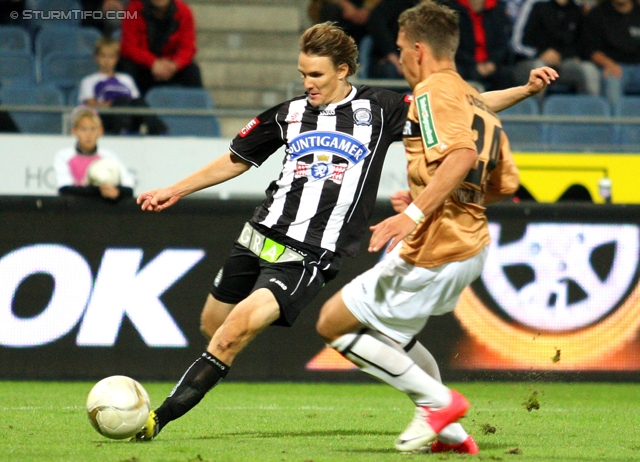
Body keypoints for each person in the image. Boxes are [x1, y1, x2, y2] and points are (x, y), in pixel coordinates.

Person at [133, 21, 557, 444]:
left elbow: (464, 109)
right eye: (303, 74)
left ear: (343, 70)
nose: (307, 83)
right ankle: (441, 413)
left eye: (315, 75)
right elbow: (235, 159)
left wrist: (524, 91)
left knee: (230, 336)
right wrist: (174, 189)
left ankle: (156, 419)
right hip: (257, 235)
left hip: (309, 252)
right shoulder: (288, 113)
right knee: (213, 325)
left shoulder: (382, 108)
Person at [315, 1, 521, 453]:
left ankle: (438, 403)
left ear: (419, 49)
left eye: (402, 49)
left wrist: (413, 212)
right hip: (471, 242)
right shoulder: (474, 100)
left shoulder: (432, 92)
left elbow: (462, 157)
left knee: (333, 324)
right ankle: (451, 436)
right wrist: (435, 193)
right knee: (395, 337)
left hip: (440, 242)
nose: (402, 58)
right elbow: (506, 182)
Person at [79, 36, 167, 135]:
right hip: (106, 117)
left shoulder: (126, 79)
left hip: (129, 114)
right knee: (122, 101)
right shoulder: (88, 81)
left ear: (117, 58)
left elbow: (136, 102)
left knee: (138, 103)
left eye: (111, 57)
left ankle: (159, 131)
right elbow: (91, 106)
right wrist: (112, 104)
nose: (107, 61)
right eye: (103, 56)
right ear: (96, 57)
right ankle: (122, 130)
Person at [511, 0, 600, 98]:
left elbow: (583, 44)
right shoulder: (534, 4)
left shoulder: (578, 9)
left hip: (565, 63)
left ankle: (591, 112)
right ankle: (535, 112)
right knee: (540, 69)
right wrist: (540, 54)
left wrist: (564, 55)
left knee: (588, 70)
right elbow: (516, 43)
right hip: (530, 61)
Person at [118, 0, 202, 96]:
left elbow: (188, 47)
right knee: (127, 67)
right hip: (143, 65)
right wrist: (153, 62)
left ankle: (196, 109)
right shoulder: (133, 10)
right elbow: (128, 46)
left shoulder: (184, 11)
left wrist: (175, 64)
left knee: (192, 71)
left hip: (171, 66)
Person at [54, 106, 135, 201]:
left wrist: (117, 192)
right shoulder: (64, 156)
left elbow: (129, 186)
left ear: (101, 131)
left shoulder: (108, 157)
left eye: (93, 129)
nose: (88, 134)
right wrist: (98, 191)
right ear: (74, 131)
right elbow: (64, 188)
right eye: (83, 129)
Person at [581, 0, 640, 108]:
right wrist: (608, 63)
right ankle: (615, 123)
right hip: (614, 67)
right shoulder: (597, 14)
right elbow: (590, 49)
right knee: (612, 81)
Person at [450, 0, 516, 92]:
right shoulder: (451, 10)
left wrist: (492, 62)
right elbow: (451, 46)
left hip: (493, 66)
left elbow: (502, 44)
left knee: (508, 77)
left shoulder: (497, 9)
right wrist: (475, 65)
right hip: (463, 65)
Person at [365, 0, 419, 79]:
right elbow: (376, 23)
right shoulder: (394, 4)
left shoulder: (440, 7)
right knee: (390, 69)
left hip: (424, 59)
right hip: (390, 59)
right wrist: (391, 55)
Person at [308, 0, 380, 45]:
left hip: (368, 12)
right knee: (330, 10)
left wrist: (367, 10)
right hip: (337, 9)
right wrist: (344, 4)